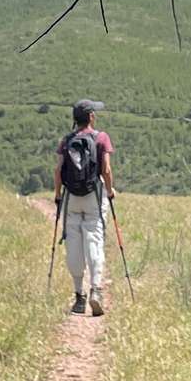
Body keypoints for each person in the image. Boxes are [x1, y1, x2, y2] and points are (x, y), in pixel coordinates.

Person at [53, 100, 116, 316]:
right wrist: (110, 191)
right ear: (90, 117)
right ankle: (96, 290)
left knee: (73, 242)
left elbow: (58, 171)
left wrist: (58, 195)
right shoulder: (101, 138)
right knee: (94, 239)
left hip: (71, 197)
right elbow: (106, 169)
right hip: (93, 196)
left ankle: (79, 297)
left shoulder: (66, 141)